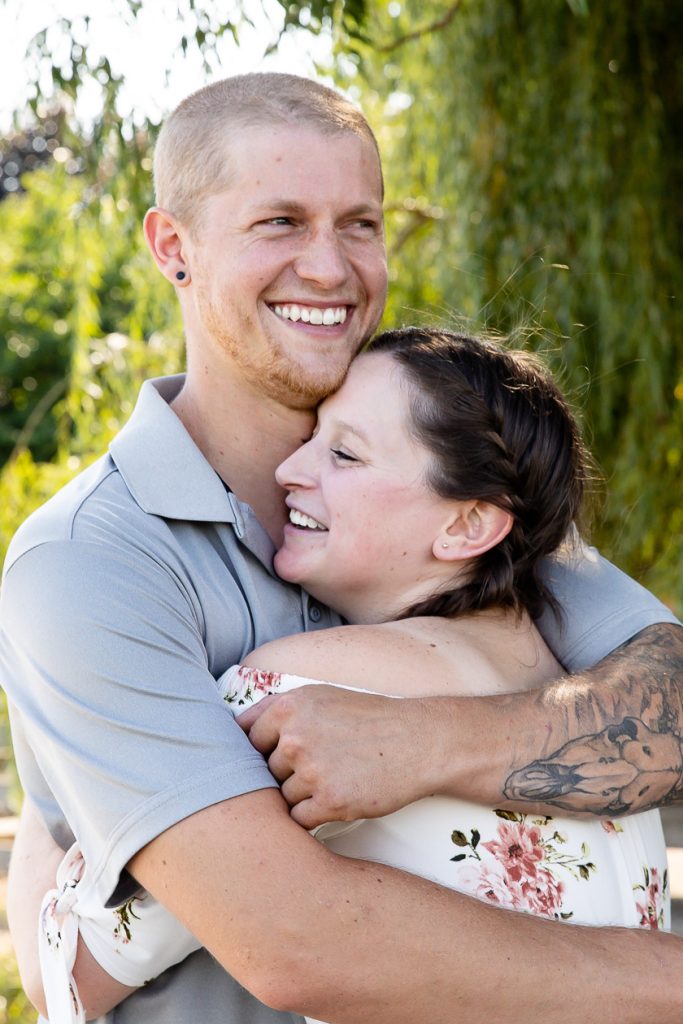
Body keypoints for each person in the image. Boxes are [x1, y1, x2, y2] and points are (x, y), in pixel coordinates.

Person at [1, 72, 682, 1024]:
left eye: (360, 222)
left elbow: (670, 701)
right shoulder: (90, 561)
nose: (329, 267)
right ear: (173, 247)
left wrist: (422, 741)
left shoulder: (447, 476)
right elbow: (294, 939)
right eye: (279, 221)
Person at [32, 329, 671, 1024]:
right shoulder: (604, 714)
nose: (289, 471)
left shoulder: (305, 694)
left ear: (466, 527)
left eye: (343, 453)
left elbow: (71, 970)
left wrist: (63, 732)